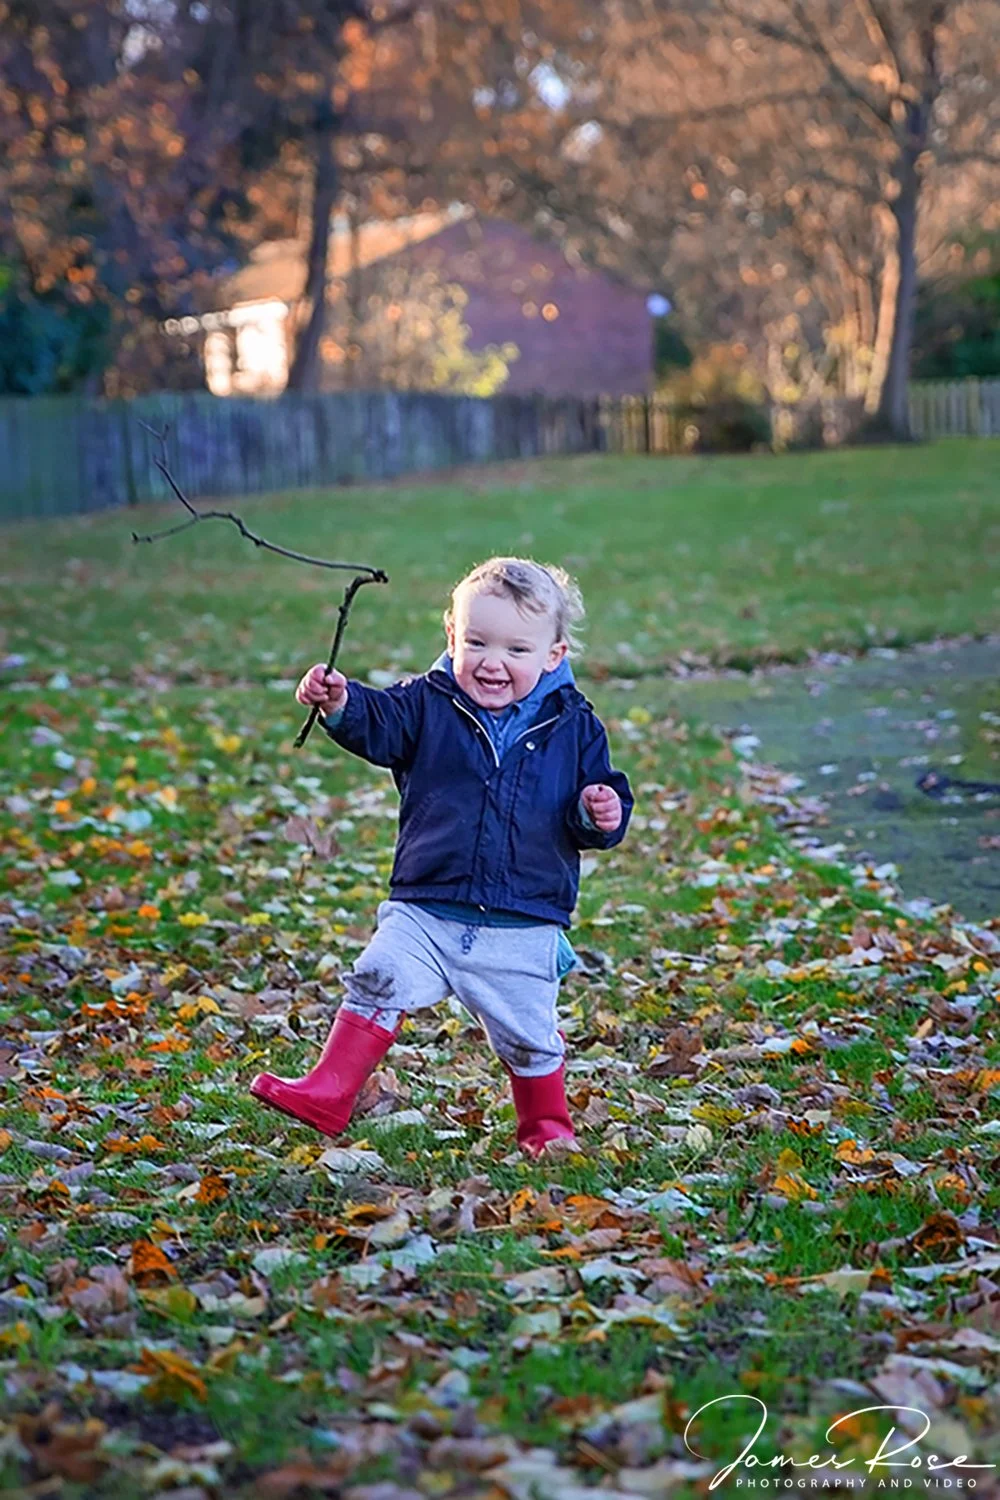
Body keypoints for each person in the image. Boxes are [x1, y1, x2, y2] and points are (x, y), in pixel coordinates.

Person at [250, 557, 633, 1156]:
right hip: (427, 903)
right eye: (477, 642)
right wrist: (341, 703)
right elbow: (380, 725)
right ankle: (330, 1088)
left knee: (529, 1035)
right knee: (379, 977)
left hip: (521, 915)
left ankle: (546, 1129)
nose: (492, 663)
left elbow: (597, 803)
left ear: (553, 656)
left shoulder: (574, 727)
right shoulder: (428, 703)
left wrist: (599, 810)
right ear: (452, 637)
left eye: (515, 650)